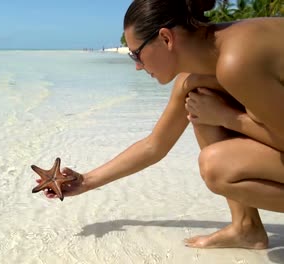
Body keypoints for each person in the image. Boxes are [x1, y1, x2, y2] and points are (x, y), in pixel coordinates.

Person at [37, 0, 284, 249]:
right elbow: (154, 145)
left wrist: (226, 117)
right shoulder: (200, 69)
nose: (136, 66)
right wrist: (85, 181)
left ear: (166, 39)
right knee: (199, 103)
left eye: (136, 54)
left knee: (217, 166)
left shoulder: (236, 62)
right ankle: (246, 227)